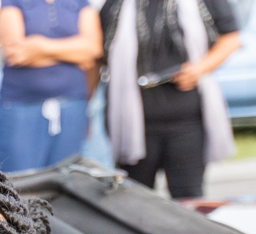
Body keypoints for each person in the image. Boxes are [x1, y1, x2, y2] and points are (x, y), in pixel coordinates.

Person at [101, 0, 241, 198]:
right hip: (134, 126)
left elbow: (231, 39)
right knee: (136, 202)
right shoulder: (118, 4)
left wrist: (200, 69)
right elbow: (99, 53)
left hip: (187, 123)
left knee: (188, 200)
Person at [0, 0, 103, 172]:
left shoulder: (81, 3)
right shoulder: (12, 2)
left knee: (65, 181)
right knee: (19, 184)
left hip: (72, 106)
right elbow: (16, 52)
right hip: (21, 107)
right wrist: (73, 54)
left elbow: (92, 49)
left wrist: (39, 45)